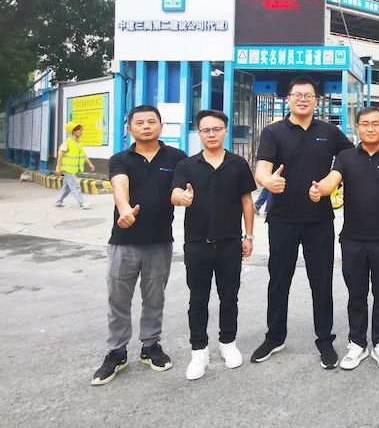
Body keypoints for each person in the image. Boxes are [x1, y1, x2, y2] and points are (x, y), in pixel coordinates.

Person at [249, 75, 355, 370]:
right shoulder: (273, 132)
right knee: (278, 280)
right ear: (288, 99)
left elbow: (353, 156)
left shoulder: (329, 132)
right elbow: (262, 167)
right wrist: (267, 181)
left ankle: (325, 340)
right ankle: (274, 337)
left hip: (319, 220)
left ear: (316, 100)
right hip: (282, 219)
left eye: (308, 95)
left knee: (321, 282)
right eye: (297, 95)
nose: (303, 99)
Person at [308, 107, 379, 371]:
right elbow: (331, 181)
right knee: (356, 294)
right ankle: (357, 343)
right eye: (365, 124)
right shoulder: (346, 157)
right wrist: (319, 190)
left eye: (376, 124)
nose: (371, 128)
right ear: (357, 127)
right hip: (353, 239)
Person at [91, 105, 186, 386]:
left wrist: (184, 197)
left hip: (159, 241)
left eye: (151, 122)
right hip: (124, 241)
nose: (146, 126)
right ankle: (117, 352)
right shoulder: (120, 159)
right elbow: (119, 185)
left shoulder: (176, 157)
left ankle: (150, 346)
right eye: (140, 122)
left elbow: (180, 187)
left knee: (154, 298)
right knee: (118, 299)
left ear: (161, 126)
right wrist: (124, 209)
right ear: (129, 128)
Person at [171, 110, 256, 380]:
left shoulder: (238, 164)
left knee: (229, 296)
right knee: (198, 299)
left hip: (230, 243)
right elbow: (175, 193)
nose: (211, 134)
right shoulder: (187, 165)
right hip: (197, 243)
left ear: (225, 131)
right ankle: (199, 350)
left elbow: (246, 201)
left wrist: (249, 236)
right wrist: (182, 198)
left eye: (217, 129)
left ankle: (228, 342)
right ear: (199, 133)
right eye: (206, 130)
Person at [54, 121, 96, 209]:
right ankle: (82, 203)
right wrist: (58, 167)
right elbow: (60, 154)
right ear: (73, 131)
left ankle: (58, 202)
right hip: (67, 169)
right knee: (75, 186)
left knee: (67, 187)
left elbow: (83, 154)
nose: (81, 132)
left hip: (72, 169)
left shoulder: (79, 142)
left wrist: (90, 164)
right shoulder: (68, 142)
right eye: (79, 130)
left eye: (81, 130)